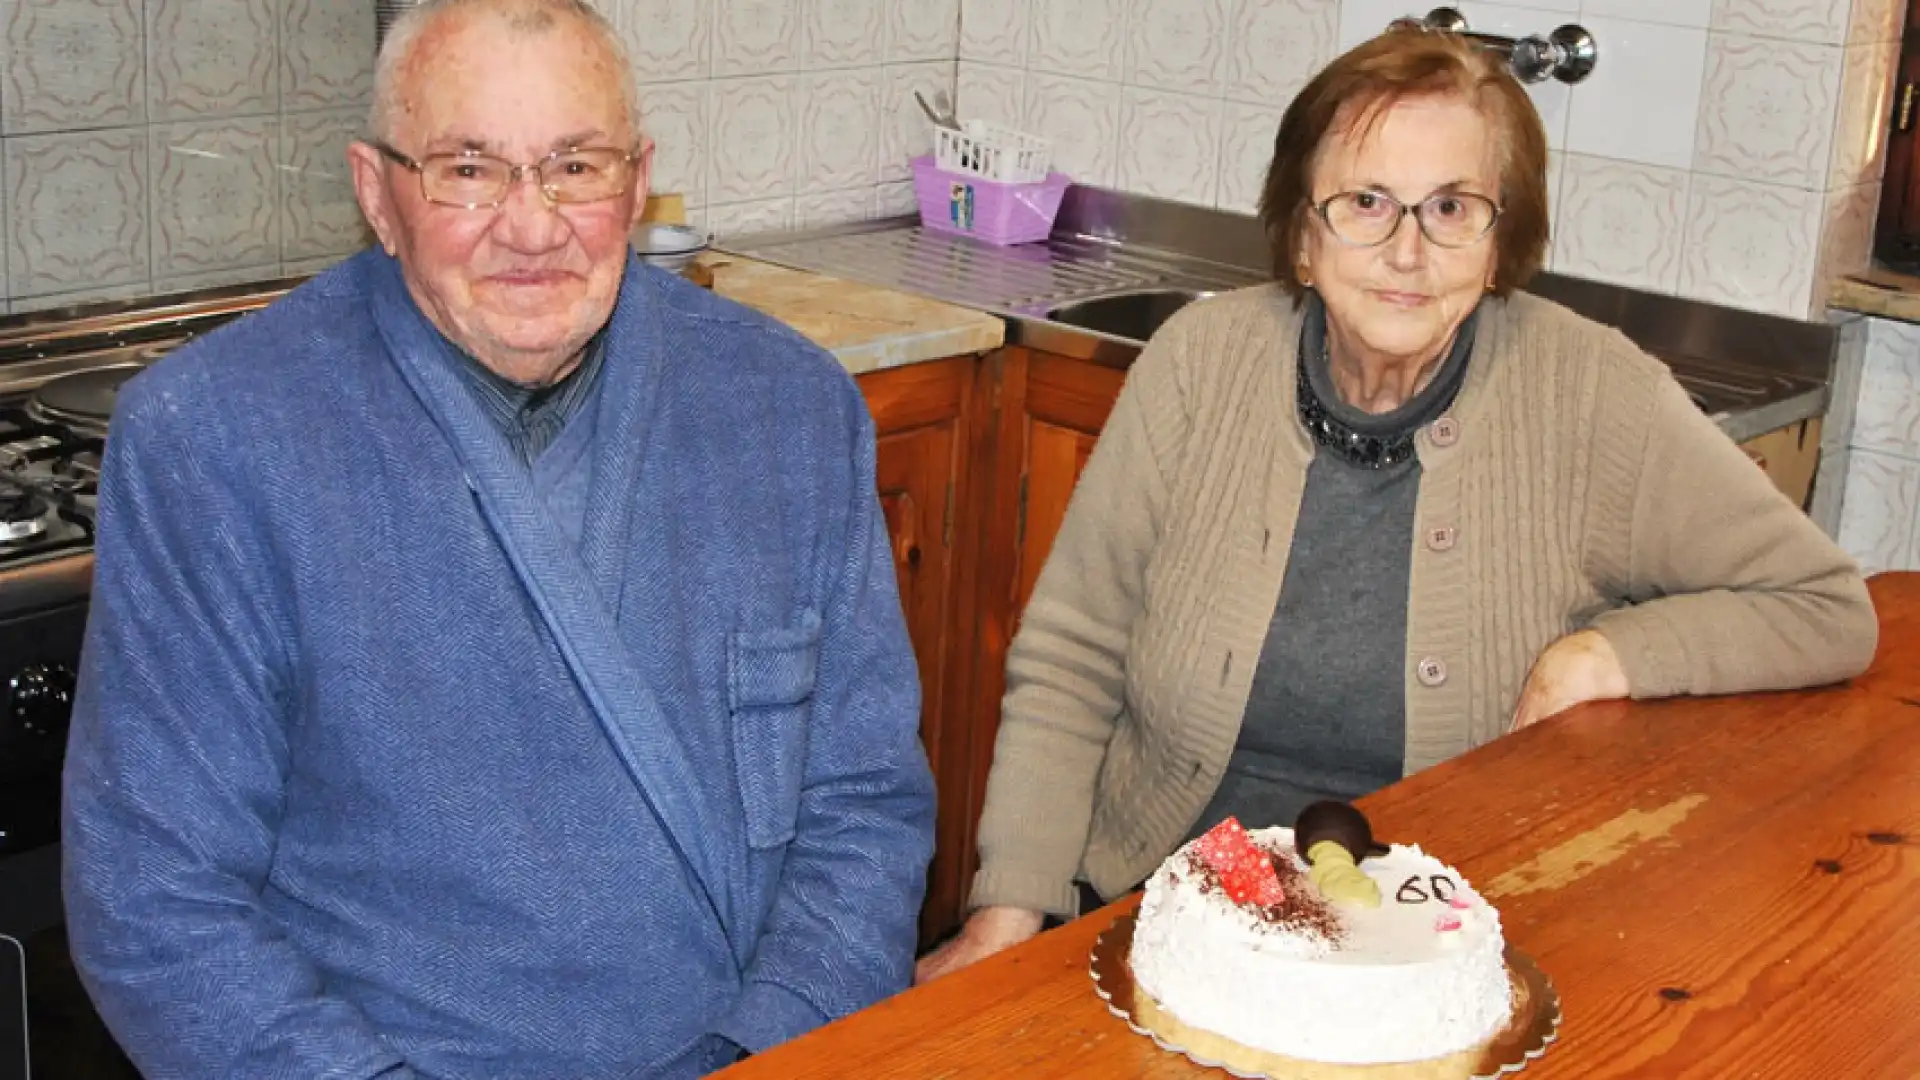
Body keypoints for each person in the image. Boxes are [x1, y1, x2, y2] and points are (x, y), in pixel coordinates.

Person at [62, 1, 935, 1076]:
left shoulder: (786, 406)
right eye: (469, 169)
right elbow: (158, 902)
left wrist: (764, 1053)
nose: (532, 226)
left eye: (576, 166)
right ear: (378, 196)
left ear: (638, 179)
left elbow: (864, 808)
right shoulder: (216, 442)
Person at [916, 27, 1878, 982]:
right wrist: (1009, 914)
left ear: (1501, 245)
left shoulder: (1593, 396)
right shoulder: (1197, 366)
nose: (1406, 251)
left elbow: (1825, 606)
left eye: (1452, 206)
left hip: (1441, 960)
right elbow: (1074, 654)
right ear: (1302, 235)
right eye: (1366, 202)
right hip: (1162, 917)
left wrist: (1612, 652)